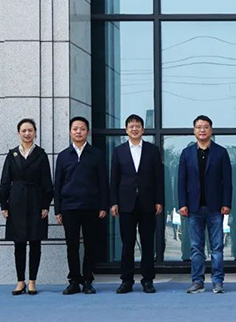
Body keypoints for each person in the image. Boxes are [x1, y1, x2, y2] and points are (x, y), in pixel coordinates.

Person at [0, 118, 53, 295]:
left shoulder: (41, 155)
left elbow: (47, 182)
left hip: (36, 201)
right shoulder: (12, 155)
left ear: (35, 132)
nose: (27, 133)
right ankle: (20, 281)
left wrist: (46, 205)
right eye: (24, 131)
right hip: (16, 202)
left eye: (30, 130)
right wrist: (4, 205)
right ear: (19, 133)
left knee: (35, 242)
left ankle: (32, 282)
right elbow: (5, 181)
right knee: (19, 243)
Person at [110, 114, 164, 294]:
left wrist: (159, 200)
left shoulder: (152, 150)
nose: (134, 129)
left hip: (148, 203)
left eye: (137, 126)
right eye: (131, 126)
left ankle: (148, 280)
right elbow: (114, 179)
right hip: (126, 204)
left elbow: (158, 178)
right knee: (128, 244)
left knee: (148, 243)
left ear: (143, 129)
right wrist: (113, 202)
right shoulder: (119, 151)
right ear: (126, 130)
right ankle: (126, 280)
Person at [54, 116, 109, 295]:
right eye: (75, 129)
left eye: (82, 129)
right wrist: (58, 209)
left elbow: (103, 182)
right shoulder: (63, 156)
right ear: (70, 132)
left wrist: (103, 206)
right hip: (69, 207)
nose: (79, 132)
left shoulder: (97, 155)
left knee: (90, 245)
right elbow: (58, 184)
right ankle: (74, 281)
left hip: (91, 206)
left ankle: (87, 281)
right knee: (72, 246)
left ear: (88, 132)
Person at [178, 115, 232, 294]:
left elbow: (227, 181)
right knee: (196, 247)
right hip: (193, 207)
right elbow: (181, 181)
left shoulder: (221, 152)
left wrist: (226, 203)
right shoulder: (187, 153)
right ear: (194, 130)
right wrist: (182, 204)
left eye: (206, 127)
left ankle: (218, 281)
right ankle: (197, 281)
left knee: (217, 247)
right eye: (199, 127)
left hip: (215, 207)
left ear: (211, 130)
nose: (202, 130)